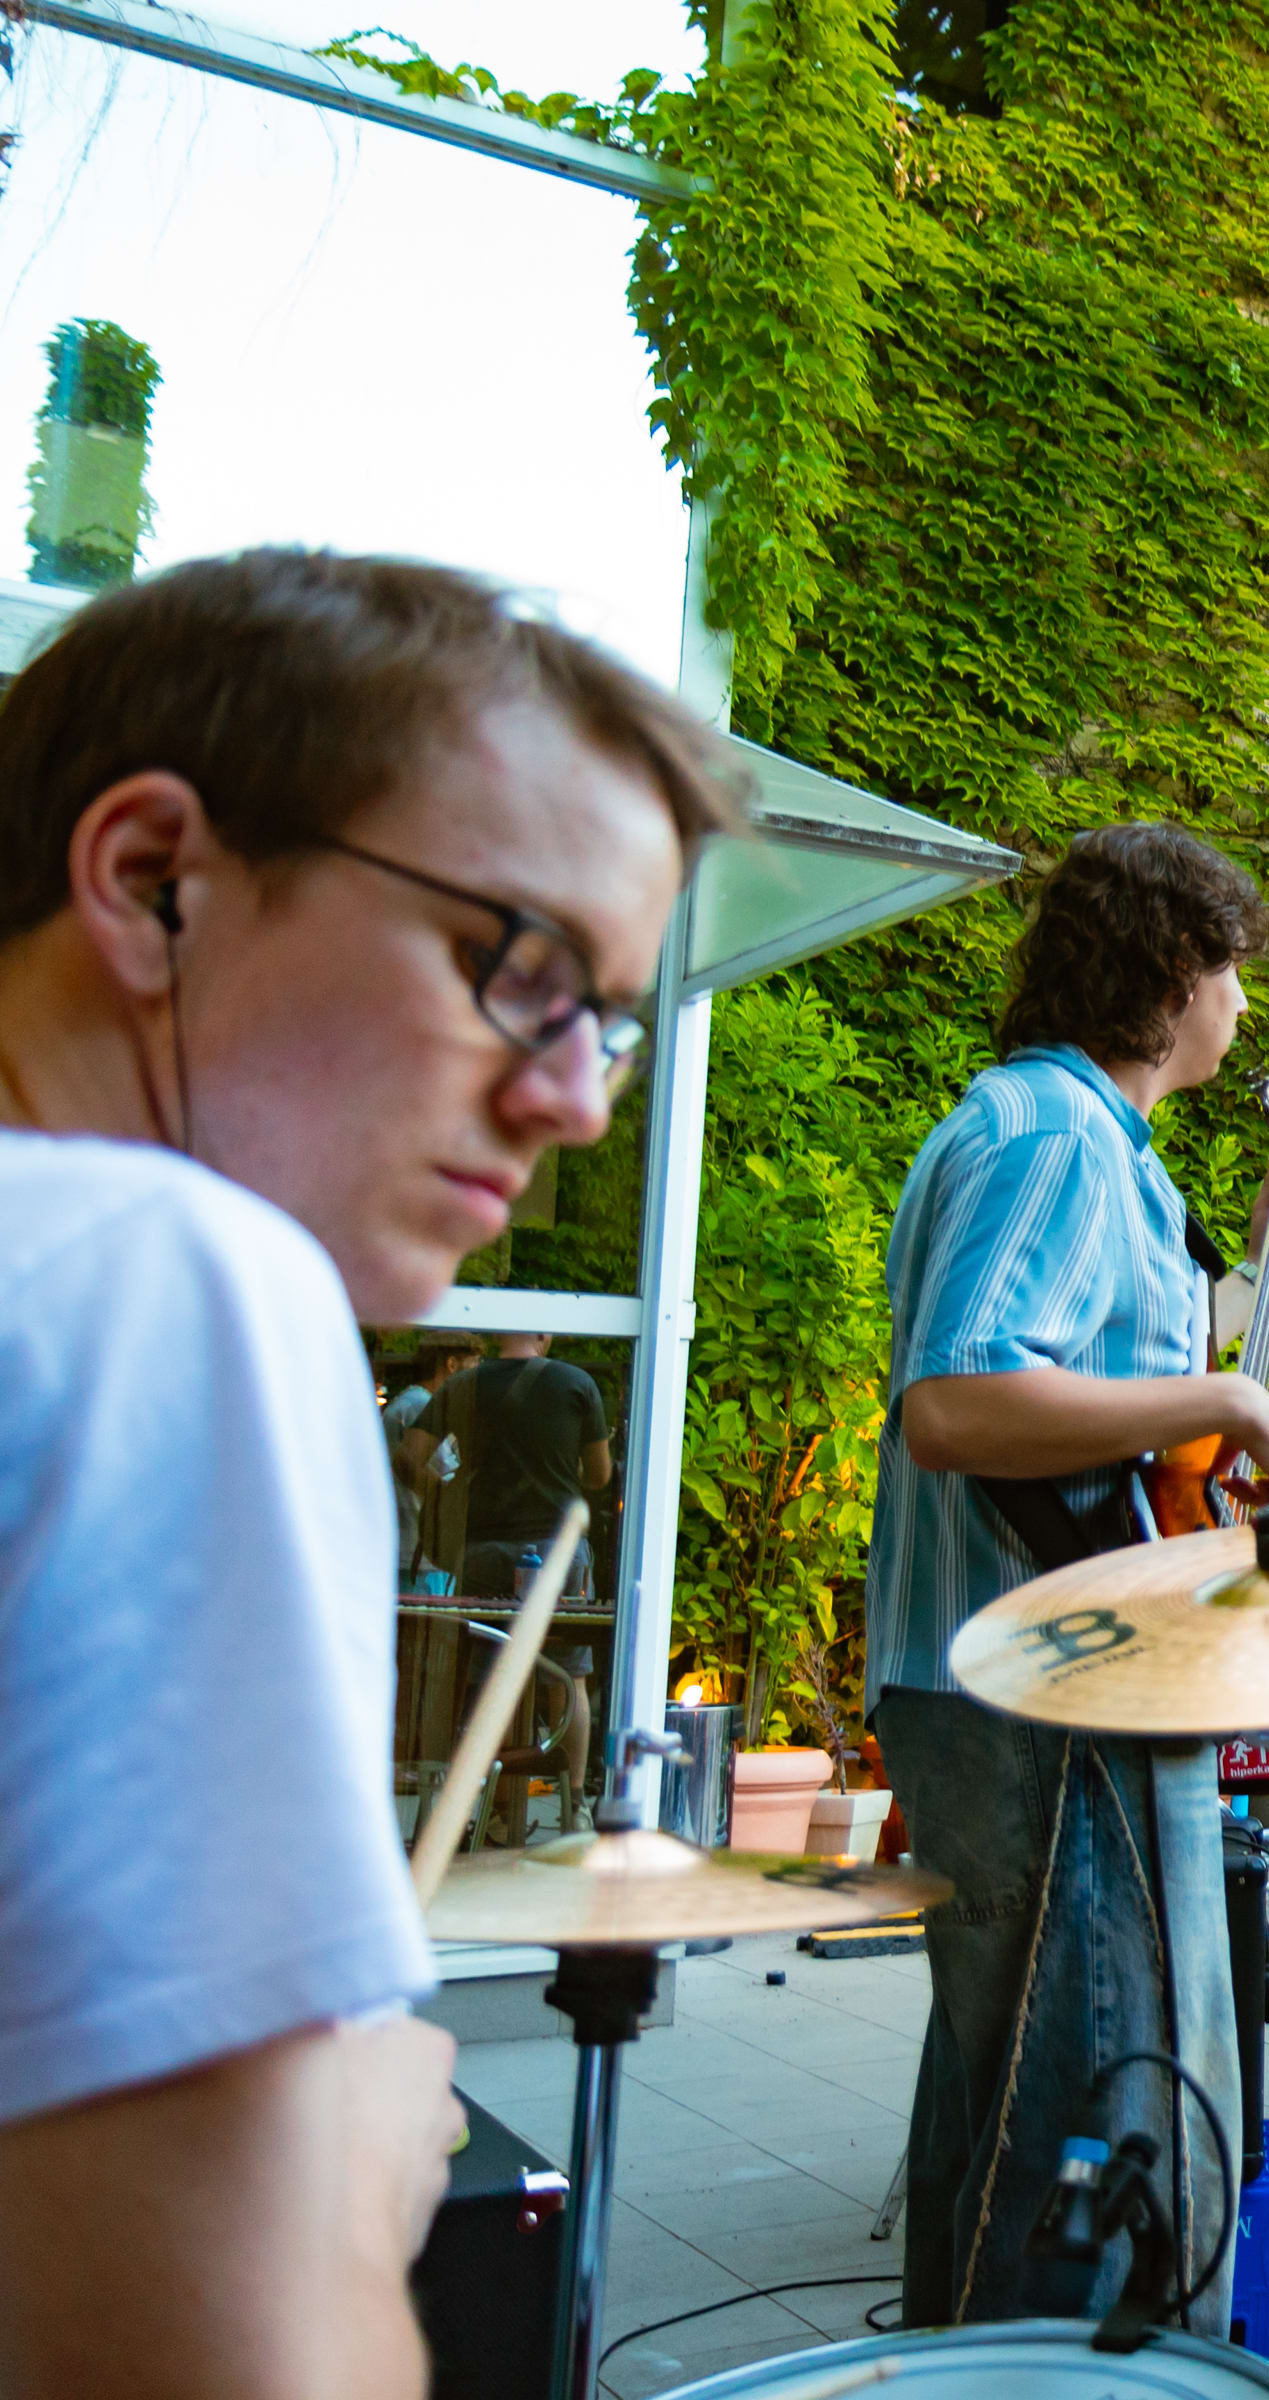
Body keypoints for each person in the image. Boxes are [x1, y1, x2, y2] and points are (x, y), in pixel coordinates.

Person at [0, 549, 726, 2397]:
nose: (576, 1098)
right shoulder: (154, 1280)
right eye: (524, 968)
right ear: (158, 882)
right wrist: (357, 2164)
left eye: (616, 1025)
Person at [864, 821, 1269, 2329]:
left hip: (1020, 1673)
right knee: (1092, 2092)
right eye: (1231, 973)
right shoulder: (1057, 1136)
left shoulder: (1064, 1137)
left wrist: (1257, 1295)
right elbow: (959, 1401)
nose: (1240, 1006)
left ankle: (985, 2362)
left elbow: (1106, 1411)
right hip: (1030, 1689)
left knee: (1010, 2096)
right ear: (1173, 973)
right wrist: (1220, 1398)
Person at [405, 1328, 613, 1597]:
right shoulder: (577, 1383)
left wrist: (444, 1495)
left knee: (483, 1635)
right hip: (557, 1544)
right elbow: (599, 1476)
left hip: (482, 1546)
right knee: (558, 1634)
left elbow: (408, 1459)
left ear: (498, 1336)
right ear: (542, 1335)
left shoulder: (462, 1384)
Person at [381, 1332, 482, 1582]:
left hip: (408, 1547)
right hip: (421, 1553)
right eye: (474, 1365)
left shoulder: (407, 1402)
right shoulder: (425, 1407)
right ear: (451, 1364)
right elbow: (450, 1470)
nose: (478, 1377)